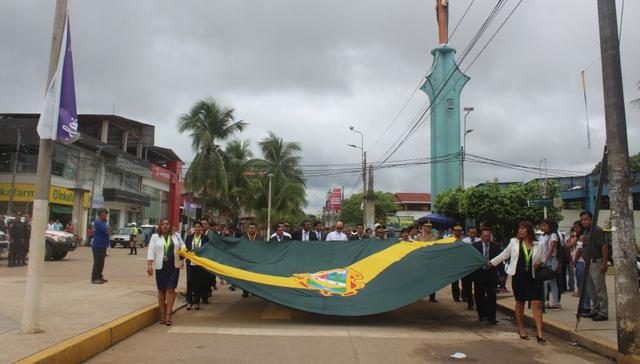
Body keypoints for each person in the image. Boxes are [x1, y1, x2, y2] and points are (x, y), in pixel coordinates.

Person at [490, 221, 546, 343]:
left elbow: (544, 258)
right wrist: (491, 263)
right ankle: (521, 329)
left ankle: (540, 333)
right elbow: (504, 255)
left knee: (537, 304)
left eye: (523, 229)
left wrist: (540, 263)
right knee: (520, 303)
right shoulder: (514, 243)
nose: (520, 231)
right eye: (519, 228)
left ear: (529, 231)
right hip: (518, 277)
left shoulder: (538, 244)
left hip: (533, 278)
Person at [147, 218, 185, 326]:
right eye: (163, 224)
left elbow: (183, 247)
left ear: (170, 225)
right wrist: (149, 265)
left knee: (170, 289)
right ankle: (162, 314)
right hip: (160, 267)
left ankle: (168, 315)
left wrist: (182, 259)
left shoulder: (176, 236)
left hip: (173, 267)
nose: (165, 226)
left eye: (167, 224)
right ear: (160, 226)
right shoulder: (155, 237)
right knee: (161, 290)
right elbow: (151, 251)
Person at [578, 211, 608, 321]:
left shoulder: (597, 230)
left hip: (596, 261)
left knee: (599, 288)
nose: (583, 221)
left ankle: (604, 312)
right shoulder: (586, 231)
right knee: (591, 288)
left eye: (585, 219)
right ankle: (595, 309)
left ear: (591, 219)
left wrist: (604, 263)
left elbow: (604, 246)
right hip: (587, 262)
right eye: (582, 220)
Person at [473, 228, 501, 324]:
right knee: (479, 295)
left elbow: (500, 261)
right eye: (485, 236)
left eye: (488, 236)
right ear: (481, 236)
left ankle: (491, 317)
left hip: (491, 274)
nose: (487, 238)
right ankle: (482, 315)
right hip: (479, 274)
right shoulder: (475, 246)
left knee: (492, 296)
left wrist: (501, 274)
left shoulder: (496, 247)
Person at [185, 221, 209, 311]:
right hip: (190, 263)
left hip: (200, 264)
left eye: (199, 227)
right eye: (196, 226)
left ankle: (197, 302)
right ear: (193, 228)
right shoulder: (189, 237)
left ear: (202, 228)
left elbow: (207, 250)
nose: (197, 228)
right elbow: (186, 249)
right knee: (189, 282)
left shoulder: (205, 238)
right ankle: (189, 301)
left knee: (198, 283)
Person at [539, 219, 561, 310]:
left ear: (550, 226)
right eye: (542, 225)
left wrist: (544, 260)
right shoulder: (544, 236)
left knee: (547, 281)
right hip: (546, 260)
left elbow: (551, 249)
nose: (542, 227)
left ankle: (548, 302)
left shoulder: (553, 235)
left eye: (544, 226)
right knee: (551, 282)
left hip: (551, 261)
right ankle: (553, 302)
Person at [415, 222, 438, 302]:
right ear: (423, 227)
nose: (428, 228)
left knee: (432, 279)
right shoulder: (418, 237)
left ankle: (432, 296)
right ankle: (419, 295)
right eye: (427, 227)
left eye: (430, 227)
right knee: (420, 279)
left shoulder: (435, 237)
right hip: (421, 260)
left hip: (431, 260)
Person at [572, 222, 591, 313]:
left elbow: (579, 250)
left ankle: (586, 306)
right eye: (574, 228)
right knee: (581, 285)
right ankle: (584, 305)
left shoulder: (582, 237)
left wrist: (574, 262)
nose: (575, 229)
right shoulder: (579, 237)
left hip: (581, 262)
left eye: (577, 227)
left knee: (583, 286)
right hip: (580, 262)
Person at [460, 227, 480, 310]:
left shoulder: (479, 241)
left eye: (474, 233)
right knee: (467, 286)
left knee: (478, 286)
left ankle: (478, 302)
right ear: (468, 233)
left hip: (477, 268)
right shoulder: (464, 241)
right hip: (467, 267)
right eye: (471, 233)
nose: (472, 235)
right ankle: (470, 302)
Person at [91, 209, 111, 284]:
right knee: (97, 262)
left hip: (102, 245)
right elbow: (108, 231)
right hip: (98, 245)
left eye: (106, 214)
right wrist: (108, 229)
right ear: (100, 214)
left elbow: (108, 230)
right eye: (105, 214)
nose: (106, 215)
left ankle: (99, 276)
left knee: (101, 262)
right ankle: (95, 278)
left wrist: (108, 229)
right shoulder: (98, 222)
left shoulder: (103, 222)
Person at [450, 225, 466, 303]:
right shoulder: (450, 239)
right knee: (454, 281)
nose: (458, 232)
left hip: (462, 262)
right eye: (456, 230)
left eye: (459, 231)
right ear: (453, 231)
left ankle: (464, 295)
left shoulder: (464, 239)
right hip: (453, 262)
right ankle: (456, 296)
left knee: (464, 280)